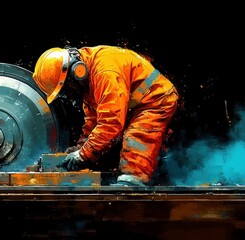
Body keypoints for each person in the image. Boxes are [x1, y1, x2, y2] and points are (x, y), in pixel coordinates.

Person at [32, 45, 179, 186]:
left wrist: (83, 155)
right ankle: (158, 172)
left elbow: (111, 123)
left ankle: (133, 181)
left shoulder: (105, 73)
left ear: (77, 72)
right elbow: (94, 121)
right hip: (134, 105)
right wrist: (81, 148)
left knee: (137, 137)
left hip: (156, 99)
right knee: (114, 145)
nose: (69, 97)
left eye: (66, 91)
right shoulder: (89, 81)